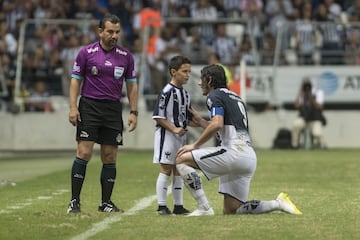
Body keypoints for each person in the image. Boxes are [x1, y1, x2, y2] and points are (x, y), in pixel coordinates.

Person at [175, 64, 302, 216]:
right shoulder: (236, 97)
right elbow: (225, 130)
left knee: (181, 160)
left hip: (233, 153)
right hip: (247, 156)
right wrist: (201, 121)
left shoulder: (214, 95)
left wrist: (194, 145)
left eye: (202, 79)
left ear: (209, 80)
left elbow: (217, 124)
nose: (199, 83)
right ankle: (277, 203)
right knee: (232, 210)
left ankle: (204, 207)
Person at [67, 13, 138, 213]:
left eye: (117, 32)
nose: (114, 36)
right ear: (100, 31)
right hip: (89, 107)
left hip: (113, 109)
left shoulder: (126, 57)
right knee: (84, 152)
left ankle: (105, 203)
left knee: (109, 156)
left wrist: (134, 111)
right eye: (110, 31)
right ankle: (74, 201)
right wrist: (73, 107)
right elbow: (75, 81)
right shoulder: (86, 53)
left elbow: (132, 86)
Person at [152, 55, 193, 215]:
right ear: (173, 72)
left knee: (179, 168)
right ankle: (161, 206)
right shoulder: (166, 92)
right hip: (167, 136)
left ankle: (178, 206)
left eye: (189, 71)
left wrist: (204, 123)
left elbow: (186, 117)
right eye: (184, 71)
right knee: (166, 168)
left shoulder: (185, 94)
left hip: (181, 137)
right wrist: (174, 129)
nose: (188, 75)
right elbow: (158, 116)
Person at [292, 78, 326, 149]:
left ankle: (323, 146)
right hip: (304, 118)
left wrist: (310, 97)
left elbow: (319, 106)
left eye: (308, 85)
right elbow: (296, 105)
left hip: (315, 118)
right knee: (295, 125)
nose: (307, 87)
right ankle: (295, 145)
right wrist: (300, 92)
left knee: (317, 133)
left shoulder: (318, 92)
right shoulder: (301, 93)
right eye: (305, 85)